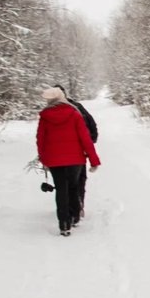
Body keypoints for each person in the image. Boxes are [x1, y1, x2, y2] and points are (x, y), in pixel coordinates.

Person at [36, 88, 100, 236]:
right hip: (75, 159)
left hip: (54, 159)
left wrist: (43, 158)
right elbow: (85, 138)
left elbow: (41, 140)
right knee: (73, 187)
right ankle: (75, 216)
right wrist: (93, 160)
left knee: (60, 190)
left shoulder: (45, 116)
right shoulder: (74, 114)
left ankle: (64, 224)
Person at [55, 84, 97, 219]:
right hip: (78, 152)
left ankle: (66, 209)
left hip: (57, 154)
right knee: (79, 179)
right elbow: (91, 124)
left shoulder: (49, 111)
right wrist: (91, 142)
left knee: (62, 182)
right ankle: (78, 205)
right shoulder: (77, 108)